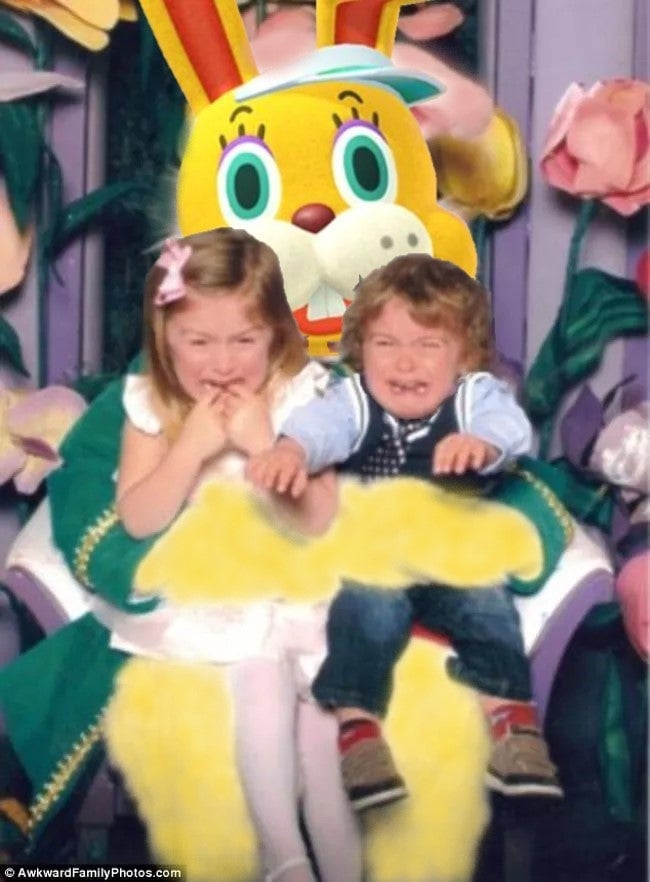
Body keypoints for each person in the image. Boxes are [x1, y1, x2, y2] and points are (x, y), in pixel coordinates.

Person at [248, 254, 564, 811]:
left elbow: (512, 428)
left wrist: (483, 443)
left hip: (450, 556)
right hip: (378, 557)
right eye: (385, 343)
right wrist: (293, 450)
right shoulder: (353, 400)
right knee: (366, 608)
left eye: (428, 345)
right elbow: (321, 427)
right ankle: (359, 732)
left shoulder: (475, 397)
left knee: (489, 606)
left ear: (464, 356)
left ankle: (512, 726)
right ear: (360, 349)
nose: (405, 362)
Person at [112, 228, 363, 882]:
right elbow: (138, 518)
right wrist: (191, 448)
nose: (222, 362)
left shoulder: (303, 396)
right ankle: (284, 858)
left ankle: (344, 870)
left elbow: (320, 520)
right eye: (198, 341)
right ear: (165, 337)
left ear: (276, 334)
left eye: (244, 340)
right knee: (260, 673)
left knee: (324, 732)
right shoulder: (153, 404)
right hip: (221, 596)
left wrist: (265, 446)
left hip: (304, 589)